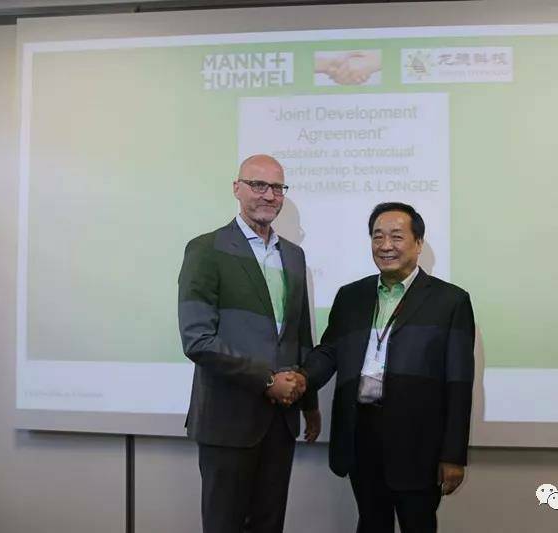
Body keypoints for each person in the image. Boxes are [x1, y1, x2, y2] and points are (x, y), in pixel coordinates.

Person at [302, 202, 475, 533]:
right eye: (377, 236)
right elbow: (329, 351)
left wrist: (453, 454)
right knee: (370, 524)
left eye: (397, 236)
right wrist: (301, 377)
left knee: (418, 525)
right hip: (361, 434)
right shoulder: (351, 297)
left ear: (418, 243)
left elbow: (459, 383)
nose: (385, 245)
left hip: (418, 443)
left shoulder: (450, 301)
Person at [177, 154, 320, 533]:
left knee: (269, 525)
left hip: (281, 422)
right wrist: (267, 380)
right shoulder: (206, 249)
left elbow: (299, 335)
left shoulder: (294, 255)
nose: (269, 195)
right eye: (258, 185)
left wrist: (309, 402)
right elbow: (197, 339)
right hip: (227, 420)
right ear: (236, 188)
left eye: (277, 188)